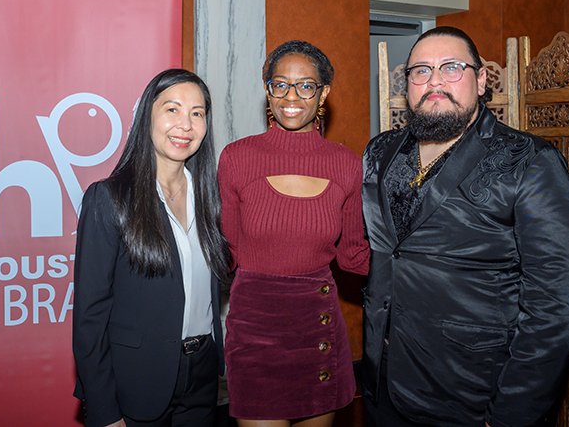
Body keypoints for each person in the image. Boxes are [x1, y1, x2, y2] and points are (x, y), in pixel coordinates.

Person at [361, 26, 569, 427]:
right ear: (407, 84)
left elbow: (553, 309)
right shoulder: (380, 151)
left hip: (471, 396)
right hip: (385, 384)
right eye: (420, 71)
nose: (434, 82)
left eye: (451, 68)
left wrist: (512, 414)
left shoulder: (529, 161)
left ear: (481, 81)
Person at [218, 40, 370, 427]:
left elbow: (353, 255)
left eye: (306, 85)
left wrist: (431, 272)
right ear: (267, 90)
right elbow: (226, 252)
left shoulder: (347, 164)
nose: (291, 96)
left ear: (324, 93)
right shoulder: (237, 157)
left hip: (317, 327)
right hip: (255, 330)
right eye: (280, 84)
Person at [73, 69, 232, 427]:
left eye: (197, 113)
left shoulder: (211, 199)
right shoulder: (109, 199)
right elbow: (89, 318)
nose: (186, 125)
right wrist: (103, 410)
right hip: (136, 382)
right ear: (147, 116)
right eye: (172, 110)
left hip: (203, 378)